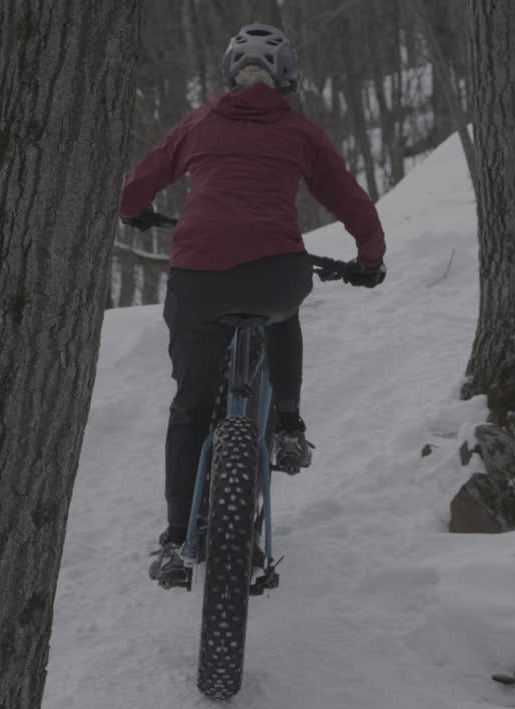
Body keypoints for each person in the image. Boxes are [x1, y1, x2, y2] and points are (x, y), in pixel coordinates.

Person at [119, 23, 386, 588]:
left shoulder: (199, 123)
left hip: (199, 280)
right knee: (282, 311)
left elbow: (141, 181)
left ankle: (175, 541)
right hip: (274, 274)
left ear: (230, 75)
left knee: (190, 407)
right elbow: (350, 198)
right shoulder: (300, 131)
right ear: (287, 78)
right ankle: (288, 424)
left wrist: (133, 210)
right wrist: (369, 259)